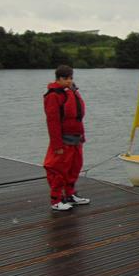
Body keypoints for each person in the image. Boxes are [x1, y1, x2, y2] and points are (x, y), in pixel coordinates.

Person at [43, 65, 90, 211]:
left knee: (74, 168)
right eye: (66, 78)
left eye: (71, 78)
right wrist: (57, 146)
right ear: (59, 79)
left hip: (76, 139)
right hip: (63, 141)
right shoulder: (53, 95)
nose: (70, 81)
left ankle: (70, 195)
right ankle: (56, 200)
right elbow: (53, 122)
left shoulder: (71, 93)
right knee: (58, 170)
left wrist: (82, 137)